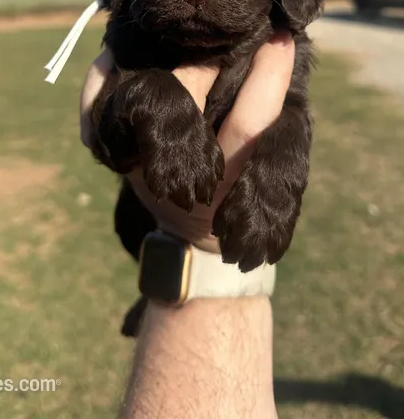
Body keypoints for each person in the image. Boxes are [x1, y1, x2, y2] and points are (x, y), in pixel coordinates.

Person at [80, 32, 295, 419]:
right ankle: (157, 293)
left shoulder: (276, 40)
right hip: (140, 221)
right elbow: (114, 123)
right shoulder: (139, 38)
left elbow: (291, 109)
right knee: (127, 222)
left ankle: (161, 292)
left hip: (175, 238)